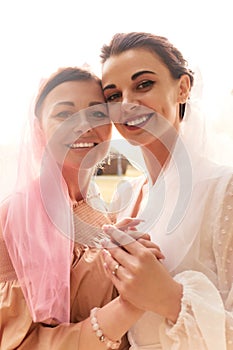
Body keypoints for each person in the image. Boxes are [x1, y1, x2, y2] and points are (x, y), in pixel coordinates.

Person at [0, 66, 164, 349]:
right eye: (64, 114)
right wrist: (130, 305)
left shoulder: (117, 205)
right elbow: (21, 343)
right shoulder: (13, 219)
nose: (83, 124)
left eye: (97, 112)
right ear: (40, 128)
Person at [100, 32, 233, 349]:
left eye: (143, 84)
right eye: (113, 96)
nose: (128, 104)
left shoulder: (223, 190)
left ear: (183, 87)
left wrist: (169, 298)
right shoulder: (125, 199)